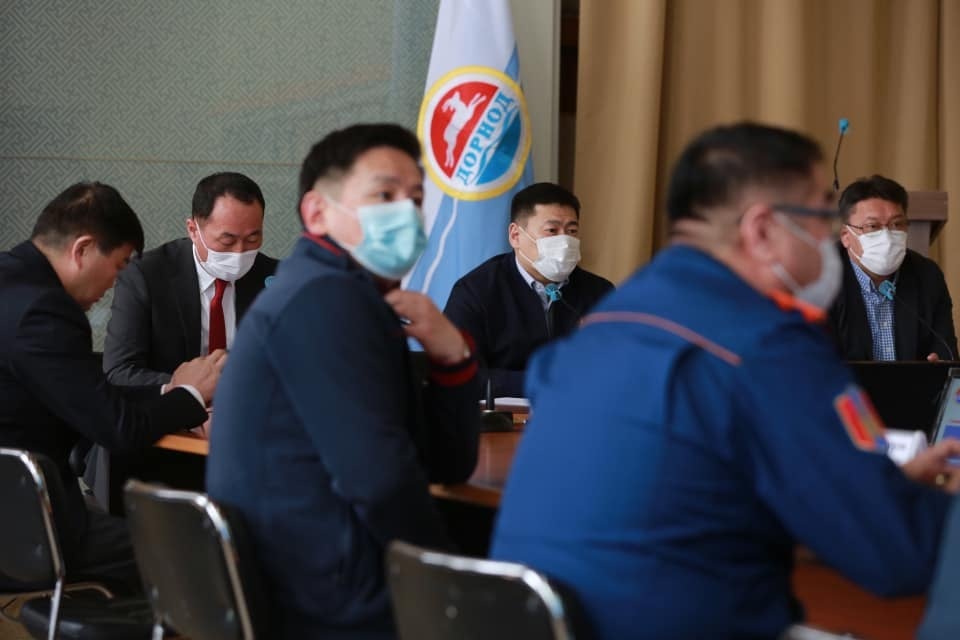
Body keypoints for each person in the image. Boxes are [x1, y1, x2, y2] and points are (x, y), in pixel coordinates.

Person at [490, 123, 960, 639]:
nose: (830, 245)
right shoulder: (768, 343)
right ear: (762, 230)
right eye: (821, 220)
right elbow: (897, 553)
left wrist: (873, 484)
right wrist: (908, 500)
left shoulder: (606, 322)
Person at [206, 123, 480, 638]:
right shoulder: (325, 297)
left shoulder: (337, 291)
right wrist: (454, 586)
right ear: (317, 212)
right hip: (327, 598)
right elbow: (380, 482)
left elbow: (442, 464)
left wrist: (453, 357)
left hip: (315, 578)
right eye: (384, 195)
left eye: (415, 199)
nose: (406, 212)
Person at [0, 182, 223, 594]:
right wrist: (191, 396)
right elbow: (118, 429)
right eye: (119, 266)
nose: (114, 284)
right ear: (82, 249)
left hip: (20, 512)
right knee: (196, 554)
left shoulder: (11, 284)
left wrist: (171, 391)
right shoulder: (43, 312)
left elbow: (83, 393)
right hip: (29, 529)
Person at [103, 172, 278, 386]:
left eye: (252, 239)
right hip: (171, 404)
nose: (239, 252)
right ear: (193, 230)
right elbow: (120, 370)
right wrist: (188, 390)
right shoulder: (146, 276)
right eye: (227, 241)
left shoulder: (276, 279)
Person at [444, 182, 614, 397]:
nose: (564, 242)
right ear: (515, 235)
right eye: (552, 231)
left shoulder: (600, 293)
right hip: (503, 416)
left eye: (572, 231)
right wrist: (545, 381)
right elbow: (461, 376)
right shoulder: (475, 292)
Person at [828, 174, 957, 361]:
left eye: (897, 224)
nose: (887, 236)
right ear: (846, 236)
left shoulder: (928, 276)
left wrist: (940, 366)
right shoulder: (819, 278)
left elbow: (947, 355)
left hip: (915, 382)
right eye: (872, 226)